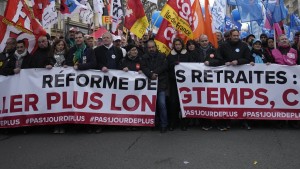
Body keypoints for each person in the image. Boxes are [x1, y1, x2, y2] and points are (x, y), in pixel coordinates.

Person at [218, 29, 252, 130]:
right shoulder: (223, 46)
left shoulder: (244, 46)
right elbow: (219, 58)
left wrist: (238, 61)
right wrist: (225, 62)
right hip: (227, 77)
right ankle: (227, 121)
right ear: (230, 36)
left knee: (242, 99)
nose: (236, 37)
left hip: (242, 78)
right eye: (234, 36)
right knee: (228, 99)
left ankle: (243, 121)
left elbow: (248, 59)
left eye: (237, 35)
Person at [141, 40, 168, 133]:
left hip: (160, 84)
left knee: (162, 104)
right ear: (147, 48)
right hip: (149, 85)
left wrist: (155, 73)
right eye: (149, 48)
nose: (151, 49)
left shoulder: (162, 56)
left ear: (156, 47)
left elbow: (165, 66)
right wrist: (150, 74)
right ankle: (154, 123)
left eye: (153, 47)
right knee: (151, 105)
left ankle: (164, 124)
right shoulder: (144, 57)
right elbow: (143, 67)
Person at [45, 39, 69, 133]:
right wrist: (47, 66)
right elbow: (45, 63)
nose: (61, 47)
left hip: (64, 83)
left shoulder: (67, 55)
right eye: (59, 45)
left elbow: (71, 63)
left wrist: (67, 65)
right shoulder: (50, 55)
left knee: (63, 103)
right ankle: (55, 125)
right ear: (55, 46)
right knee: (55, 103)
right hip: (53, 83)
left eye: (62, 45)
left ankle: (62, 125)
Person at [167, 38, 190, 131]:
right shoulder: (170, 55)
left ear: (182, 45)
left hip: (185, 83)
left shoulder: (187, 55)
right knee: (173, 103)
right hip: (174, 83)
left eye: (179, 44)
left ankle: (184, 122)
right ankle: (173, 122)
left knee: (184, 103)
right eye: (176, 44)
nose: (178, 46)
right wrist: (173, 64)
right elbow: (167, 66)